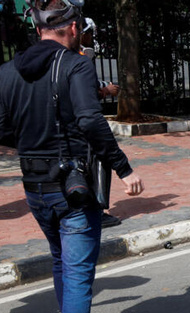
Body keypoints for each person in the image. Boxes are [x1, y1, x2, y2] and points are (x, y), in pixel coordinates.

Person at [0, 0, 144, 313]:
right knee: (77, 272)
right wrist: (123, 169)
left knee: (61, 262)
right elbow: (91, 121)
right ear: (74, 29)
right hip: (73, 186)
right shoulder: (75, 64)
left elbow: (2, 131)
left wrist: (34, 141)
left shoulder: (6, 72)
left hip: (34, 186)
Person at [80, 17, 122, 228]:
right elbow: (85, 92)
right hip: (87, 122)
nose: (90, 38)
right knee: (100, 162)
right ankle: (98, 210)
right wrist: (105, 90)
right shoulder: (79, 58)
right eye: (88, 33)